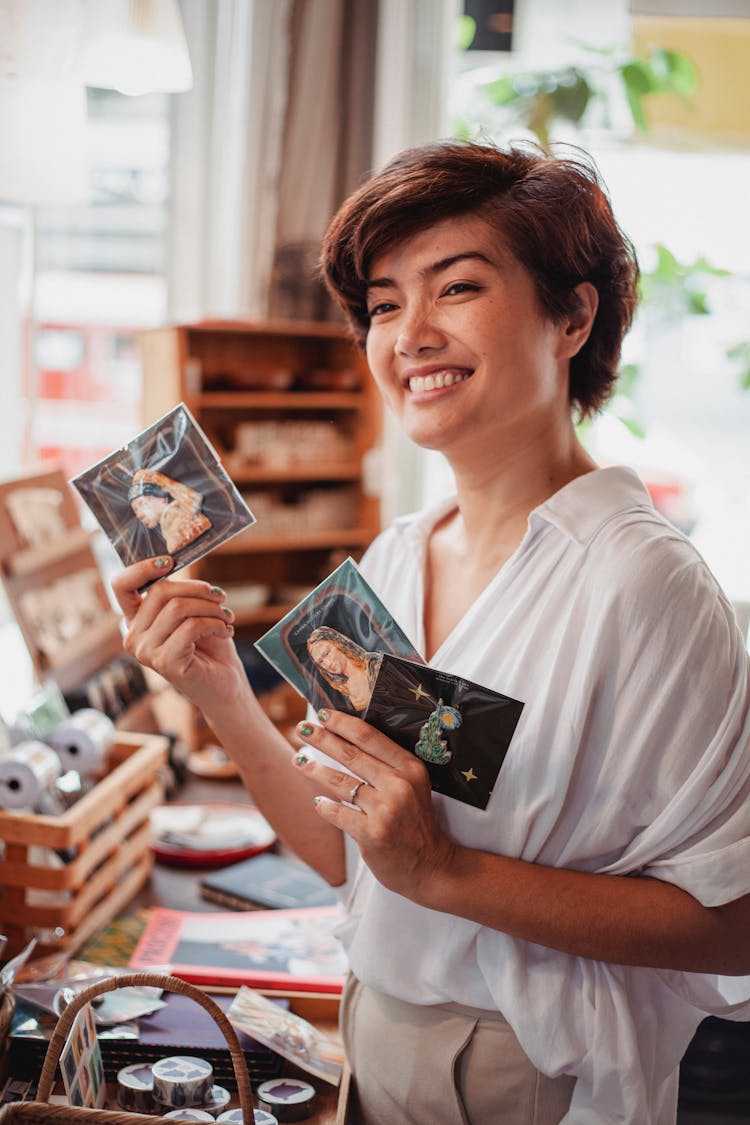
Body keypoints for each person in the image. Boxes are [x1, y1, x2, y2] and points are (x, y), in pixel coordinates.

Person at [112, 140, 750, 1125]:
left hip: (527, 1071)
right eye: (382, 304)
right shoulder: (400, 555)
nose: (409, 332)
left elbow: (735, 928)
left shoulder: (645, 582)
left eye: (456, 288)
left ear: (571, 316)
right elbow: (348, 857)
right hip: (375, 1027)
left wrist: (446, 872)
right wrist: (220, 693)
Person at [128, 467, 212, 554]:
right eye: (136, 511)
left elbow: (194, 500)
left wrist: (163, 481)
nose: (139, 515)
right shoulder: (167, 525)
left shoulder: (176, 517)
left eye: (143, 504)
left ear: (162, 499)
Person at [306, 625, 379, 711]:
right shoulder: (345, 690)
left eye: (327, 654)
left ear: (338, 644)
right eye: (321, 662)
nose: (328, 664)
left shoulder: (373, 664)